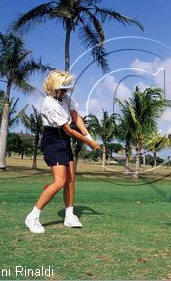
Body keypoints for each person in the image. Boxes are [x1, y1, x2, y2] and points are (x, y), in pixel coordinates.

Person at [25, 70, 100, 234]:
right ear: (53, 88)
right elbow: (68, 130)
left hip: (64, 141)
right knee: (60, 181)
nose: (65, 92)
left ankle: (69, 216)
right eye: (62, 89)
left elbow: (76, 117)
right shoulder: (49, 103)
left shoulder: (65, 98)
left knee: (71, 179)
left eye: (66, 88)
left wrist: (89, 135)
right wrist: (90, 143)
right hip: (53, 140)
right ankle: (33, 216)